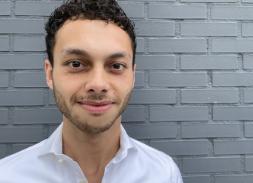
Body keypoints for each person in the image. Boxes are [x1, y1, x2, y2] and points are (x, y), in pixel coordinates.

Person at [0, 0, 183, 182]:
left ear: (133, 76)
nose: (98, 84)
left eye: (116, 65)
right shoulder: (8, 176)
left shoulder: (163, 174)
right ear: (49, 74)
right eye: (76, 64)